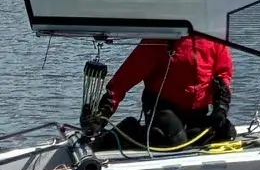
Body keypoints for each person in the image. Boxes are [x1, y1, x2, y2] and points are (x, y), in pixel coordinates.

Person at [101, 32, 236, 149]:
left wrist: (221, 108)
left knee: (225, 134)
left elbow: (223, 74)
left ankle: (184, 134)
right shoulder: (160, 39)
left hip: (197, 109)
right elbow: (127, 75)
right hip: (163, 107)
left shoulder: (213, 38)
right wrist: (103, 111)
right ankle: (128, 131)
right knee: (174, 141)